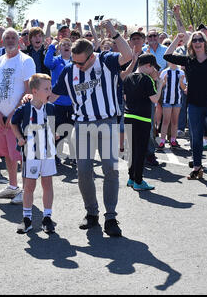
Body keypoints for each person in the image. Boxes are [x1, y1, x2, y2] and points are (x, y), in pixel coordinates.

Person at [50, 20, 133, 237]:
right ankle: (92, 213)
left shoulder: (107, 61)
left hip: (107, 122)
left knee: (110, 171)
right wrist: (32, 97)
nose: (77, 66)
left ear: (91, 55)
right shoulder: (69, 72)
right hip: (82, 124)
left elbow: (128, 55)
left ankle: (111, 217)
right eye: (74, 63)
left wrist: (114, 32)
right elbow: (52, 94)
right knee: (83, 171)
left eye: (81, 63)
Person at [164, 32, 207, 181]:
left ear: (205, 42)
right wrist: (177, 39)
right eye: (194, 40)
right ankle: (197, 168)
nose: (197, 42)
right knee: (196, 138)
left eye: (200, 40)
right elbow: (167, 56)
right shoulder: (189, 60)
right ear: (191, 44)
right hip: (194, 105)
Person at [0, 28, 36, 204]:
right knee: (7, 153)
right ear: (2, 40)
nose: (9, 40)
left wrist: (14, 113)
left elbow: (29, 89)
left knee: (22, 154)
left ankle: (26, 191)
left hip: (18, 118)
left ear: (19, 40)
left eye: (13, 37)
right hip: (0, 117)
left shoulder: (26, 61)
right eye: (6, 37)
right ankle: (13, 186)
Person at [11, 74, 57, 234]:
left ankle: (47, 217)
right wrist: (19, 138)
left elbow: (53, 127)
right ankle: (27, 219)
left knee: (47, 184)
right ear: (35, 91)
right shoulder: (24, 109)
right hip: (30, 153)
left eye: (50, 88)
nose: (49, 91)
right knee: (29, 186)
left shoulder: (50, 108)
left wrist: (55, 135)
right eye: (46, 89)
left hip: (48, 152)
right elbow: (13, 122)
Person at [123, 54, 163, 191]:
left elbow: (125, 97)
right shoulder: (147, 79)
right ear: (148, 66)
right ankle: (138, 181)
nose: (154, 71)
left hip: (128, 116)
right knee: (140, 151)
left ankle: (131, 178)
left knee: (131, 150)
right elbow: (155, 99)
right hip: (142, 119)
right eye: (153, 68)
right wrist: (160, 84)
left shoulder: (128, 77)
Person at [43, 37, 75, 165]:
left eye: (68, 45)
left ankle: (72, 155)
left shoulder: (76, 61)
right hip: (58, 102)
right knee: (56, 129)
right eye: (63, 45)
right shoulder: (56, 61)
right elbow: (47, 63)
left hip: (73, 102)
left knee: (72, 129)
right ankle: (54, 153)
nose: (66, 46)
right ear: (60, 48)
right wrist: (52, 46)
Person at [158, 61, 187, 150]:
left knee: (175, 121)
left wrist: (181, 81)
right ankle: (162, 141)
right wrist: (164, 81)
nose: (173, 62)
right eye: (170, 61)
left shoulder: (181, 72)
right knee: (166, 121)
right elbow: (160, 86)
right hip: (167, 99)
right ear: (168, 62)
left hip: (177, 100)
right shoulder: (164, 72)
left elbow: (184, 88)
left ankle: (173, 140)